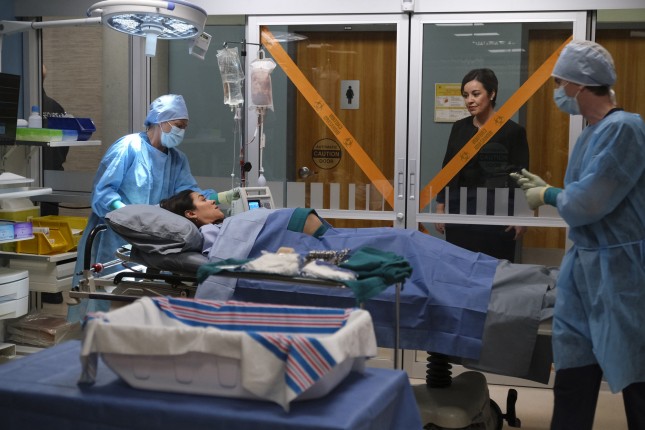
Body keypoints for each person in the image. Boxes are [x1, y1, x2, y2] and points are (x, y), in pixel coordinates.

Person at [511, 40, 645, 430]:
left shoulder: (626, 129)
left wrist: (549, 195)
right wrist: (553, 190)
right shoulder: (592, 133)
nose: (558, 91)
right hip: (583, 268)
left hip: (619, 271)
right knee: (573, 370)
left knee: (636, 371)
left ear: (580, 85)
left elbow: (589, 202)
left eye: (560, 82)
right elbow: (585, 192)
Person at [69, 94, 239, 321]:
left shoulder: (177, 159)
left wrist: (223, 197)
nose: (181, 132)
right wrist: (127, 214)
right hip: (115, 237)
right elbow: (104, 192)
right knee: (106, 300)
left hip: (155, 240)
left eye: (184, 127)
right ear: (161, 121)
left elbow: (189, 196)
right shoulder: (128, 147)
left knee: (146, 300)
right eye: (178, 125)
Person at [435, 68, 529, 262]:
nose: (469, 100)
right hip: (459, 210)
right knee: (458, 266)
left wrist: (521, 214)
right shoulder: (459, 127)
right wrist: (440, 207)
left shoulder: (512, 131)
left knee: (494, 269)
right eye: (465, 95)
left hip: (497, 213)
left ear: (492, 94)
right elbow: (448, 169)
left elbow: (521, 175)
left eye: (476, 94)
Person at [40, 64, 68, 217]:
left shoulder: (22, 108)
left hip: (28, 187)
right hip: (52, 184)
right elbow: (62, 150)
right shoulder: (57, 108)